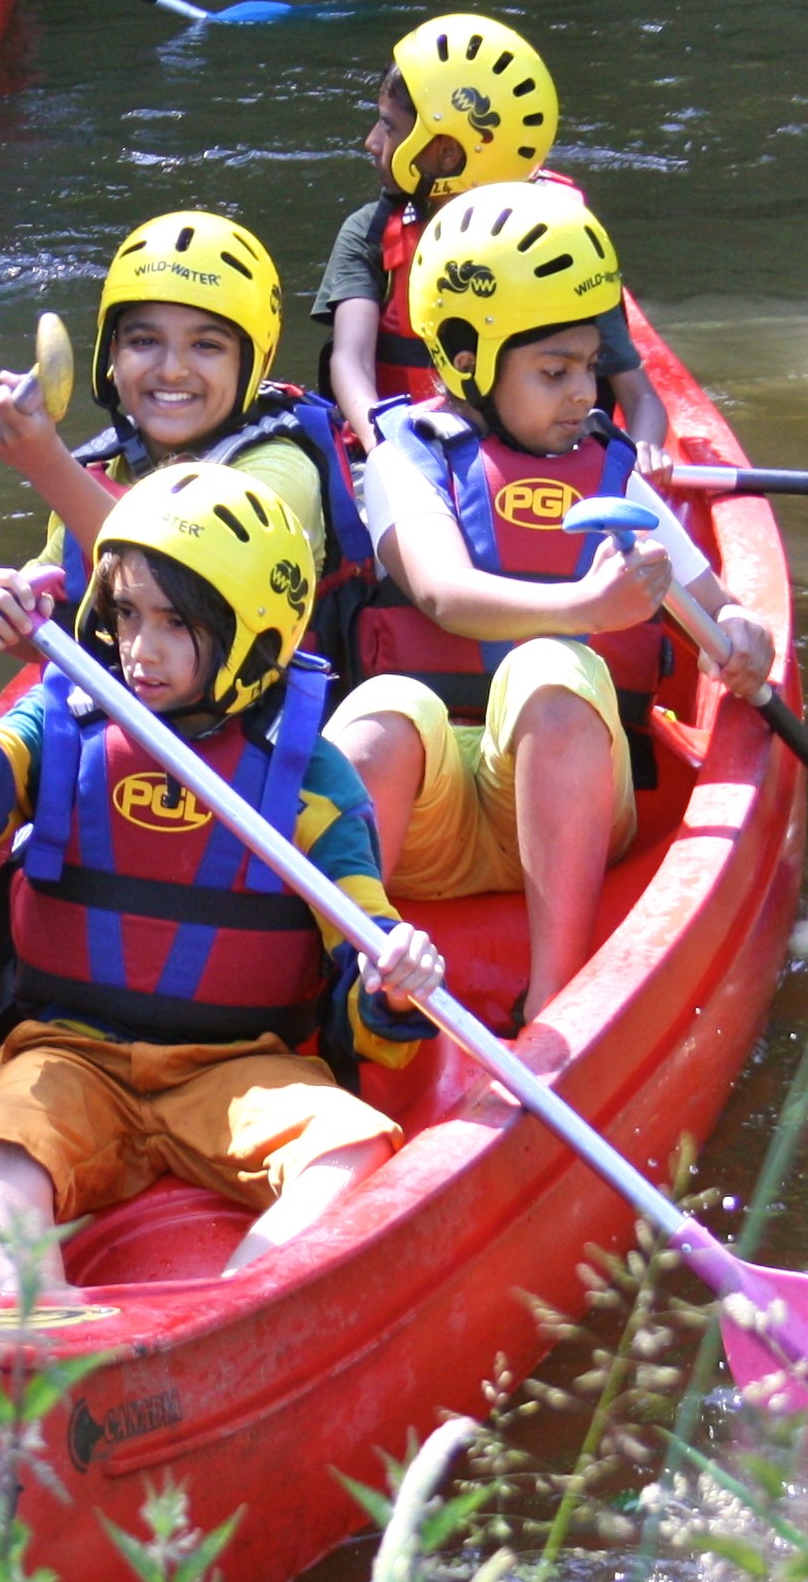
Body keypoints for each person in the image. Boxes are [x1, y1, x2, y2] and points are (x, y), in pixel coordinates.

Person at [0, 464, 445, 1294]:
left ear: (255, 637)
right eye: (124, 615)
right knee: (8, 1142)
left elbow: (363, 970)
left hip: (237, 1067)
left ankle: (241, 1298)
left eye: (175, 624)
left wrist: (394, 984)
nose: (139, 650)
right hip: (70, 1051)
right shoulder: (63, 721)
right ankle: (22, 1303)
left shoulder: (312, 782)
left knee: (355, 1145)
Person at [327, 181, 774, 1014]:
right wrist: (587, 611)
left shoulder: (612, 472)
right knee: (378, 710)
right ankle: (356, 987)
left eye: (590, 369)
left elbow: (718, 608)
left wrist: (747, 638)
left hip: (575, 809)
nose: (583, 393)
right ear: (467, 363)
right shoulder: (405, 456)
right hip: (430, 811)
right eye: (553, 371)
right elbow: (442, 593)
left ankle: (555, 1000)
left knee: (550, 675)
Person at [0, 211, 374, 662]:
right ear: (110, 357)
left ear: (251, 362)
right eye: (144, 341)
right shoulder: (102, 475)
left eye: (206, 345)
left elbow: (183, 582)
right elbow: (48, 637)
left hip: (266, 743)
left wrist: (44, 461)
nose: (172, 370)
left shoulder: (282, 469)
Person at [312, 14, 671, 464]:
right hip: (412, 450)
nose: (371, 141)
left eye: (389, 126)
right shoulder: (370, 232)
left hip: (541, 461)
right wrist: (384, 448)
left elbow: (640, 398)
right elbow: (351, 362)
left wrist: (642, 457)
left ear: (447, 152)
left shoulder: (561, 241)